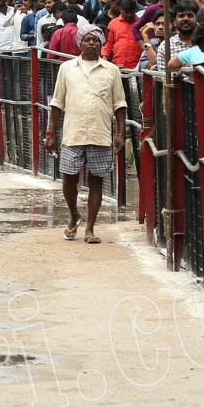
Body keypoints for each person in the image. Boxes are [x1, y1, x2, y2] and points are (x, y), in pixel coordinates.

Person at [44, 23, 126, 244]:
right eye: (87, 40)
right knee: (68, 178)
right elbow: (57, 102)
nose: (91, 43)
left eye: (95, 40)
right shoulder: (67, 68)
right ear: (79, 43)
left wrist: (120, 134)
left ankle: (90, 228)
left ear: (101, 44)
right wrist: (51, 131)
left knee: (96, 180)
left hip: (100, 133)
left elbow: (120, 104)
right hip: (73, 131)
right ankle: (74, 214)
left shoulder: (112, 70)